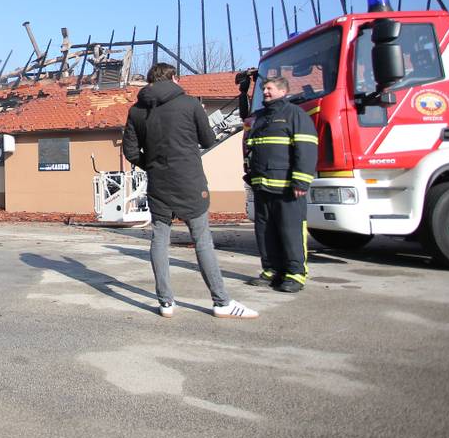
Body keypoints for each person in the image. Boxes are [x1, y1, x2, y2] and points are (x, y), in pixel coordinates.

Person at [122, 63, 259, 319]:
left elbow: (130, 152)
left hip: (159, 183)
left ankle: (166, 303)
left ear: (150, 81)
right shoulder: (190, 104)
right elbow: (207, 140)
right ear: (174, 78)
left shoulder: (136, 111)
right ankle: (221, 302)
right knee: (202, 240)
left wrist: (151, 164)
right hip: (190, 181)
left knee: (159, 240)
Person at [244, 76, 318, 293]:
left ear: (283, 91)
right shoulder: (260, 119)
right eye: (264, 88)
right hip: (262, 187)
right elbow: (251, 149)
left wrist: (301, 181)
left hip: (287, 188)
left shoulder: (295, 115)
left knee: (290, 231)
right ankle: (271, 270)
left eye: (269, 88)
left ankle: (295, 273)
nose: (265, 92)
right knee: (265, 231)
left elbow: (306, 149)